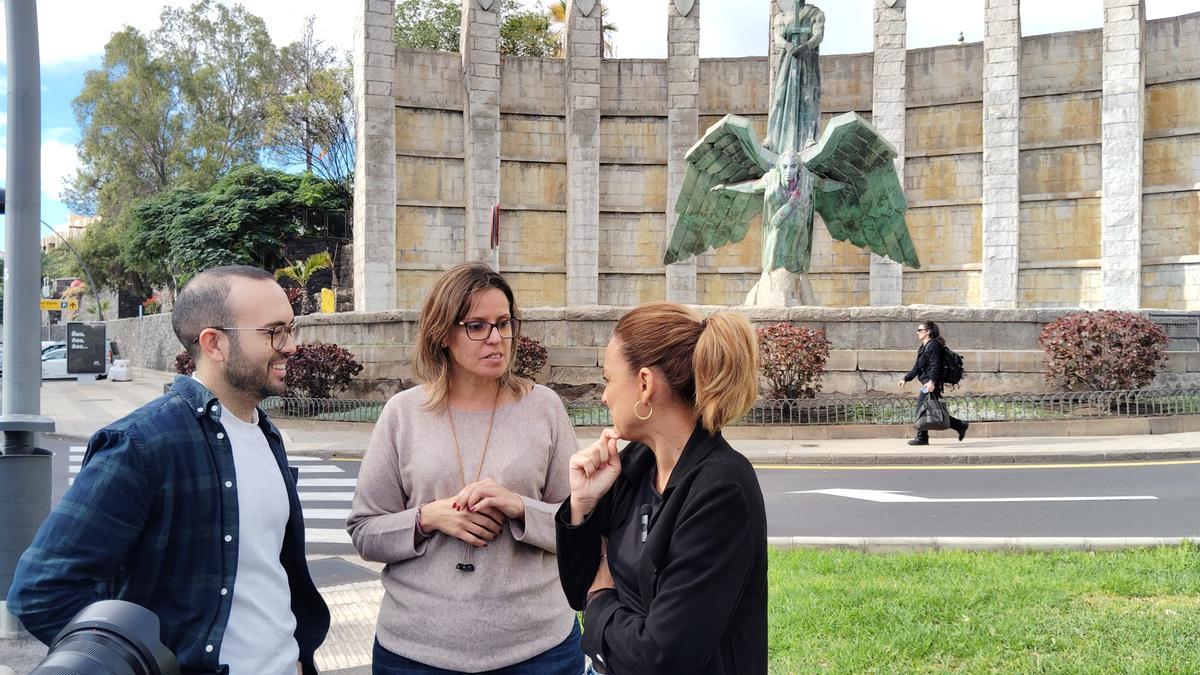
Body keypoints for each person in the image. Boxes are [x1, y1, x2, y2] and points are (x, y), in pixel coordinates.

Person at [8, 265, 330, 674]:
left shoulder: (265, 434)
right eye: (274, 331)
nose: (291, 346)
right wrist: (139, 665)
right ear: (214, 344)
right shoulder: (141, 444)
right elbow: (41, 591)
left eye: (292, 328)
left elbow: (266, 575)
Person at [347, 262, 582, 674]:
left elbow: (580, 528)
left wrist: (520, 508)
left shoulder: (543, 407)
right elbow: (365, 531)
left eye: (504, 323)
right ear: (443, 334)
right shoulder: (403, 413)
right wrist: (427, 519)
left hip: (537, 649)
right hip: (416, 652)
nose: (496, 339)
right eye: (477, 326)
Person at [555, 303, 768, 674]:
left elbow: (661, 658)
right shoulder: (636, 463)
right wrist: (583, 505)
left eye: (607, 379)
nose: (604, 396)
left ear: (644, 384)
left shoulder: (721, 489)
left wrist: (601, 598)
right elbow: (577, 588)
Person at [899, 320, 969, 445]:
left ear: (928, 331)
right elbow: (917, 367)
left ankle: (922, 437)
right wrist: (906, 378)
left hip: (931, 383)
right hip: (928, 383)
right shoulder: (924, 347)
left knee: (922, 408)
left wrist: (932, 381)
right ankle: (960, 425)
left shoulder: (933, 346)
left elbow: (936, 365)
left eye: (920, 330)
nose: (917, 333)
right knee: (931, 409)